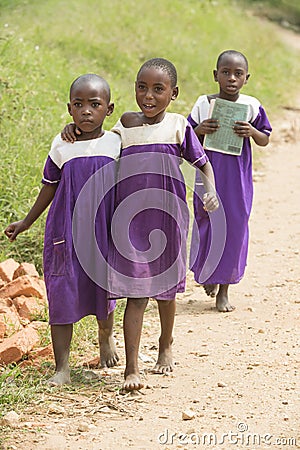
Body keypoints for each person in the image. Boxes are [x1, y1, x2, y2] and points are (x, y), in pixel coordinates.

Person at [61, 58, 219, 391]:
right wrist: (71, 130)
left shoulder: (179, 125)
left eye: (158, 90)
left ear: (173, 94)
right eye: (142, 87)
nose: (148, 96)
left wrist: (211, 191)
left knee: (165, 293)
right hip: (129, 220)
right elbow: (97, 137)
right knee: (135, 294)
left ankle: (165, 344)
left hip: (168, 217)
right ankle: (131, 368)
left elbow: (203, 164)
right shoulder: (124, 126)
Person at [5, 74, 121, 385]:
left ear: (108, 110)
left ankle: (105, 337)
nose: (86, 111)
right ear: (69, 109)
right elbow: (49, 186)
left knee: (103, 289)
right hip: (65, 233)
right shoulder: (61, 144)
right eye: (79, 105)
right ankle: (62, 367)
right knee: (62, 293)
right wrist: (26, 221)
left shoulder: (115, 142)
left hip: (102, 232)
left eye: (94, 105)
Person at [188, 50, 272, 312]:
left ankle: (224, 288)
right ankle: (210, 272)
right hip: (209, 174)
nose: (232, 78)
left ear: (247, 78)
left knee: (235, 226)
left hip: (237, 178)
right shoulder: (204, 103)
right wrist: (200, 130)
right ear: (216, 75)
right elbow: (187, 136)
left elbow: (265, 138)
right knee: (207, 223)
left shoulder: (251, 106)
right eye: (226, 72)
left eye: (238, 74)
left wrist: (252, 131)